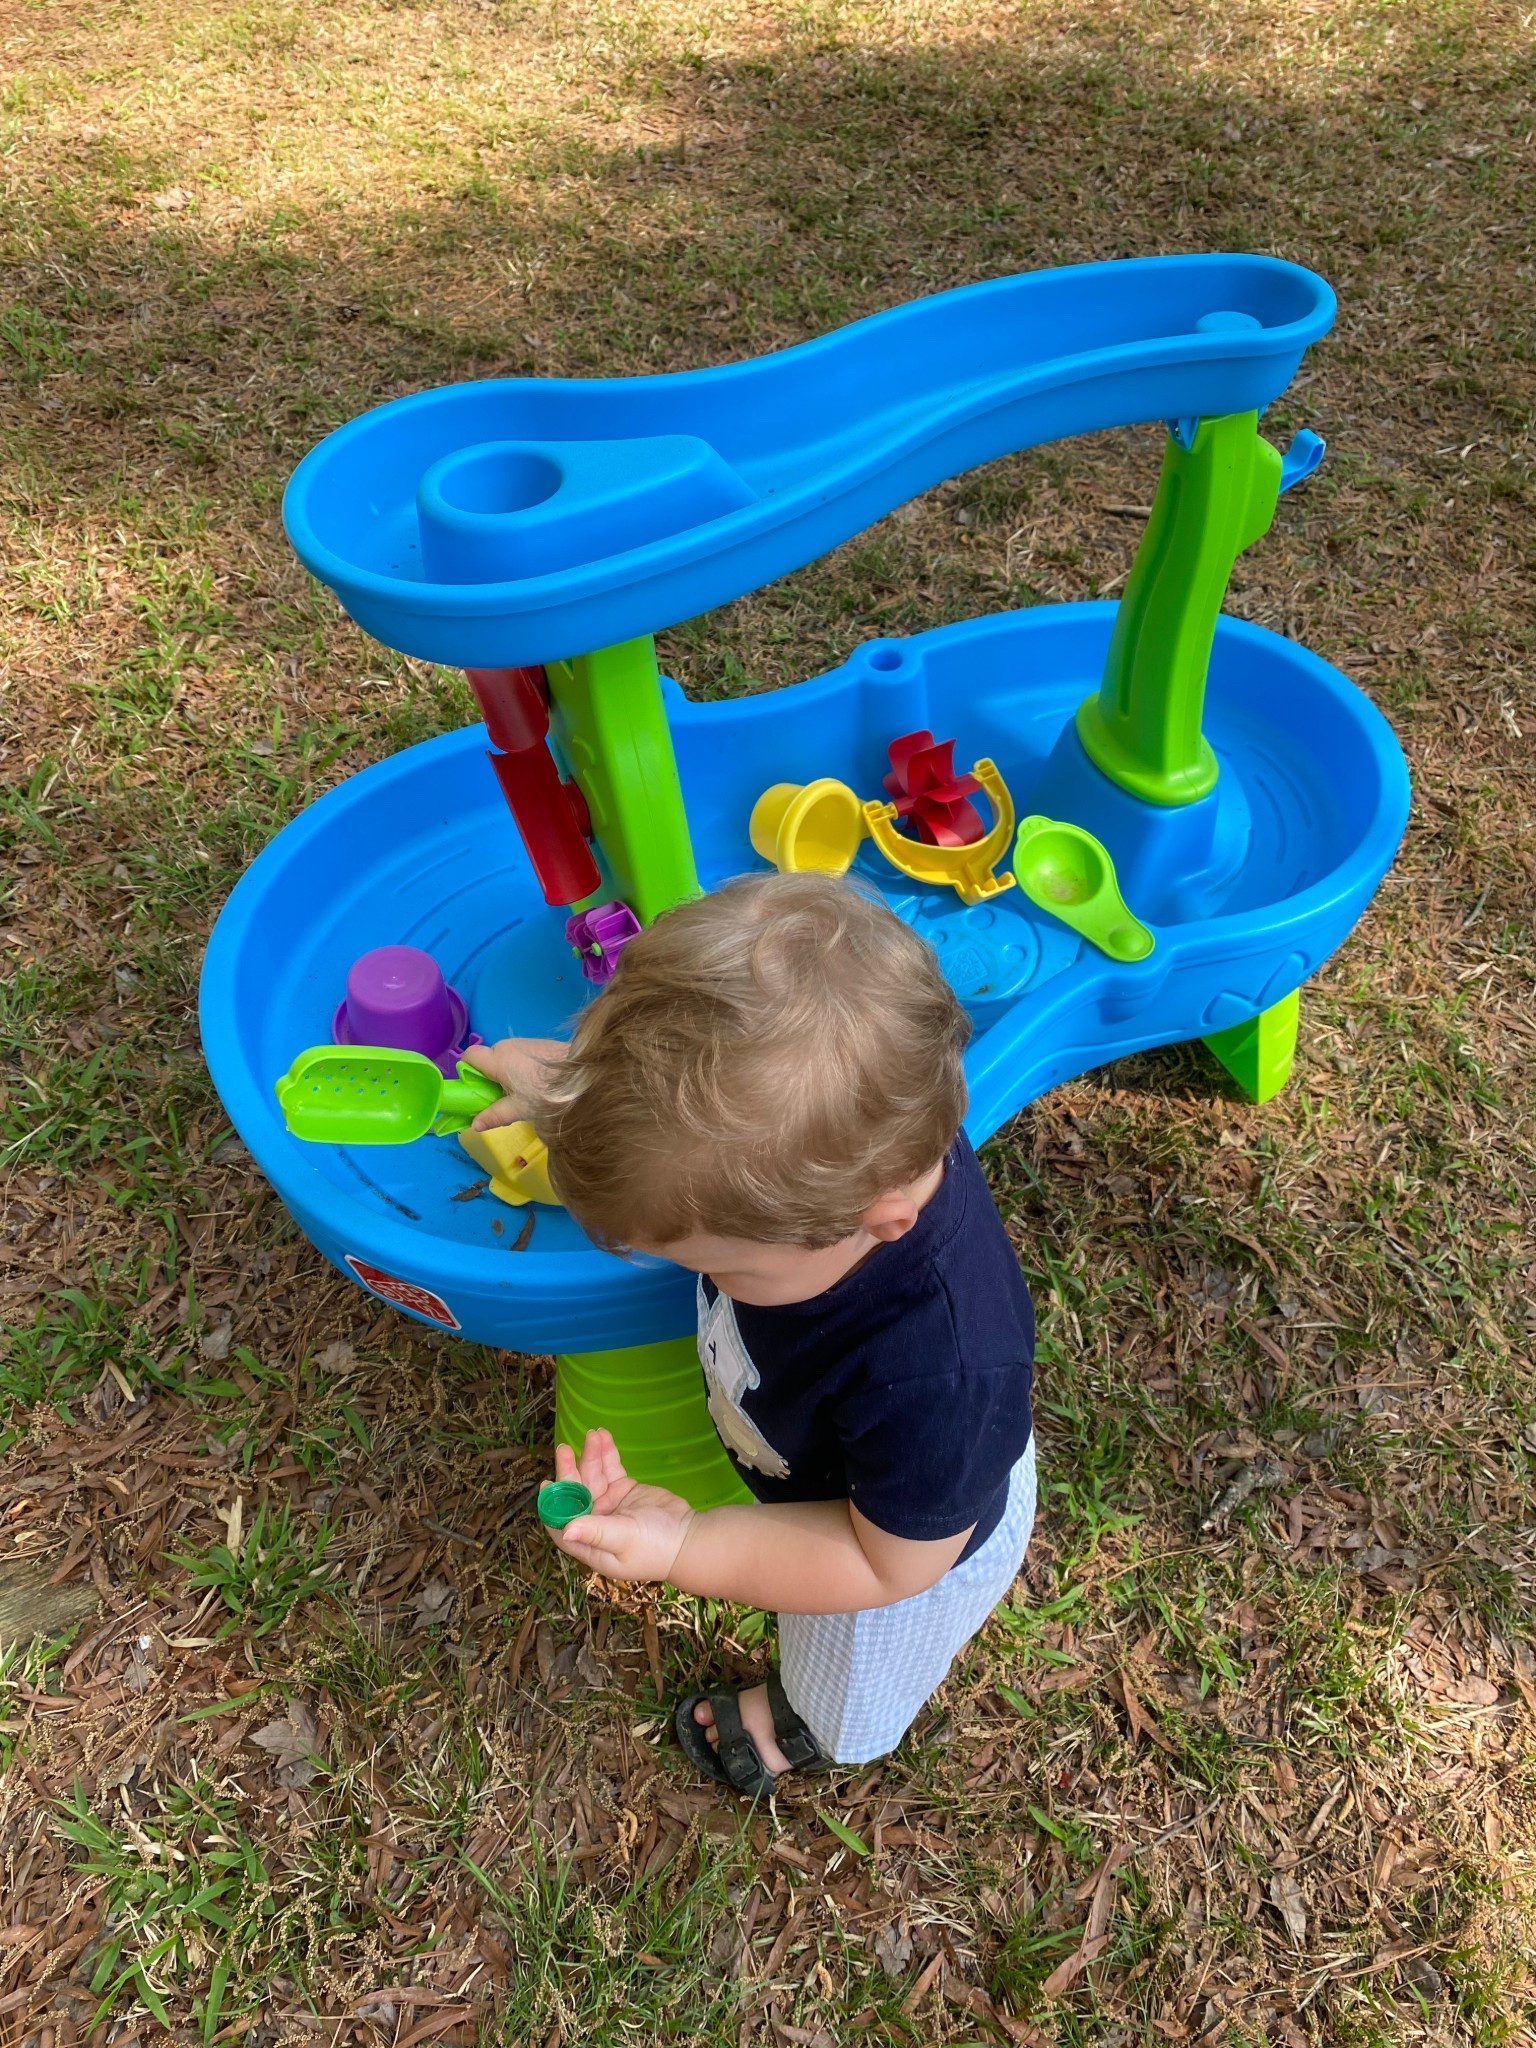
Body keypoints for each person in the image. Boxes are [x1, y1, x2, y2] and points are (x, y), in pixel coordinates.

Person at [466, 872, 1036, 1795]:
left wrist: (690, 1547)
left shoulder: (936, 1377)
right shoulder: (863, 1127)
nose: (703, 1278)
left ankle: (801, 1728)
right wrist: (578, 1099)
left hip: (895, 1547)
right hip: (833, 1453)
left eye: (717, 1266)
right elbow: (699, 1085)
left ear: (878, 1212)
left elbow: (876, 1560)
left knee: (839, 1671)